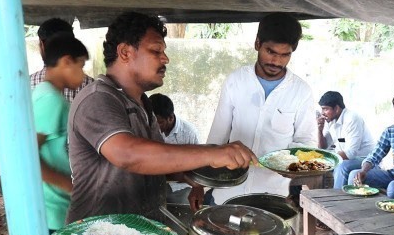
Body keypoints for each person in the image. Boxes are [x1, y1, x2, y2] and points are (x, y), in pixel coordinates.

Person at [67, 12, 257, 223]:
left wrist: (193, 177)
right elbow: (128, 155)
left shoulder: (144, 103)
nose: (165, 58)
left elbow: (150, 164)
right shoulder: (98, 99)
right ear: (125, 52)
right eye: (156, 50)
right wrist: (212, 153)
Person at [206, 12, 317, 204]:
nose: (276, 61)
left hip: (273, 195)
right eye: (270, 52)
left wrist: (288, 164)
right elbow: (218, 135)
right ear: (257, 44)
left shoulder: (301, 91)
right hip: (228, 190)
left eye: (285, 55)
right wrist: (202, 185)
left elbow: (306, 141)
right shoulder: (236, 81)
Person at [32, 33, 88, 232]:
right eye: (81, 66)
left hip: (55, 204)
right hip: (53, 207)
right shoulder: (50, 100)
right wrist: (70, 187)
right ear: (66, 62)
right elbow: (28, 157)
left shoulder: (43, 92)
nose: (83, 75)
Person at [317, 91, 375, 189]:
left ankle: (337, 198)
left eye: (325, 109)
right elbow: (323, 146)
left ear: (336, 108)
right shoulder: (330, 120)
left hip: (365, 159)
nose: (323, 113)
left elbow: (350, 154)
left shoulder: (352, 118)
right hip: (349, 159)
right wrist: (319, 129)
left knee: (341, 165)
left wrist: (324, 160)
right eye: (322, 109)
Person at [149, 93, 200, 204]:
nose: (156, 127)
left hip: (181, 186)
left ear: (171, 118)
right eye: (153, 123)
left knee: (182, 210)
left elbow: (197, 170)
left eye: (160, 123)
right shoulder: (150, 127)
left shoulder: (189, 133)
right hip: (156, 183)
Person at [30, 18, 94, 102]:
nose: (82, 75)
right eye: (81, 66)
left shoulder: (27, 84)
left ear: (42, 45)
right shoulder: (92, 87)